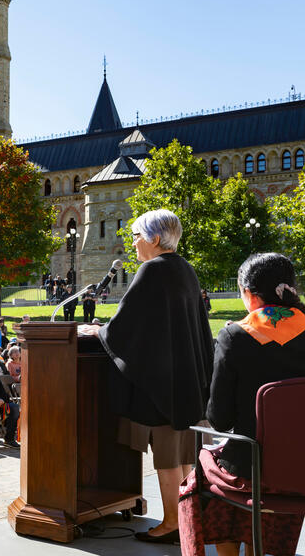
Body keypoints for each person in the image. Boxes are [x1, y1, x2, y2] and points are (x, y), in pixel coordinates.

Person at [177, 252, 305, 556]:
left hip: (253, 470)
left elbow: (219, 419)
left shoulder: (234, 336)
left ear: (247, 293)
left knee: (202, 478)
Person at [82, 208, 213, 545]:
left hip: (162, 381)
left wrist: (98, 331)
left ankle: (171, 521)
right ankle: (187, 518)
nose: (135, 242)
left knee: (167, 456)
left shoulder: (152, 270)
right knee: (184, 454)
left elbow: (126, 325)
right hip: (186, 378)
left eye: (138, 235)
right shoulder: (185, 269)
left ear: (155, 239)